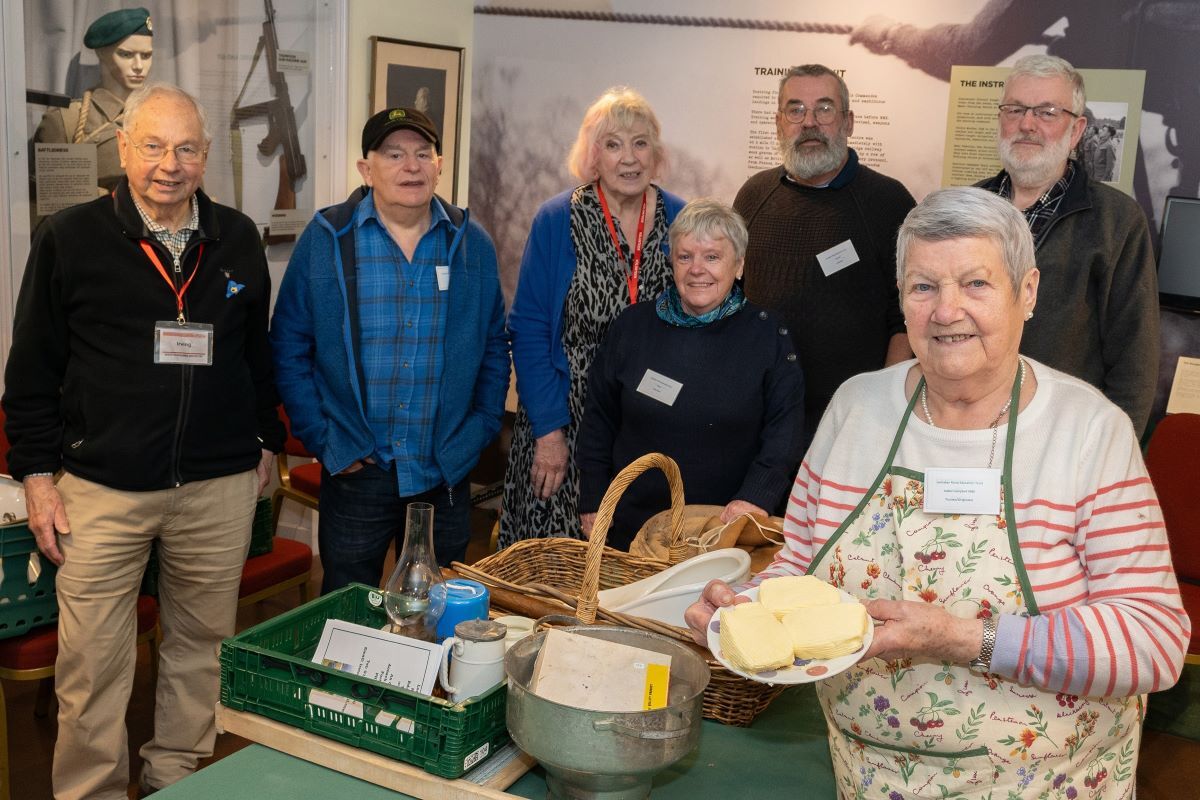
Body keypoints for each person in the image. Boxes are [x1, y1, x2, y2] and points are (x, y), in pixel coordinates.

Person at [686, 186, 1189, 798]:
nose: (947, 311)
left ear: (1026, 292)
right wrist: (745, 611)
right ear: (901, 299)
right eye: (924, 287)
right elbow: (801, 566)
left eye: (976, 284)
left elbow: (1154, 640)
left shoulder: (1087, 432)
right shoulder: (855, 408)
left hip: (1045, 783)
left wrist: (965, 639)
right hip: (871, 779)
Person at [2, 82, 283, 799]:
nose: (170, 163)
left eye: (186, 147)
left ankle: (174, 784)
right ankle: (91, 792)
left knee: (200, 655)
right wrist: (36, 476)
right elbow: (31, 372)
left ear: (206, 156)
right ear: (123, 148)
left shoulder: (239, 237)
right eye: (153, 145)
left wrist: (265, 440)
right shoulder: (69, 237)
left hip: (216, 489)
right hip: (101, 491)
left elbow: (257, 357)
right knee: (92, 666)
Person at [271, 106, 508, 593]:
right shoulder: (328, 239)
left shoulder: (471, 244)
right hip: (360, 465)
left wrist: (479, 428)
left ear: (440, 165)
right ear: (367, 168)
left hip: (443, 468)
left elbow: (492, 346)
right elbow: (290, 344)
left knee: (438, 610)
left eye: (423, 154)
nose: (411, 166)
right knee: (347, 606)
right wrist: (322, 436)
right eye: (395, 154)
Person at [500, 87, 686, 548]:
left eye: (640, 143)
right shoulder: (557, 219)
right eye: (613, 143)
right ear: (592, 155)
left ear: (656, 155)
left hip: (647, 418)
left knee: (637, 559)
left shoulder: (682, 218)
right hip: (566, 417)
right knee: (554, 564)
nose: (629, 158)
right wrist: (548, 432)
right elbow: (529, 330)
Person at [575, 199, 804, 549]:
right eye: (685, 257)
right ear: (672, 262)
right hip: (630, 529)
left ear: (739, 265)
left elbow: (784, 433)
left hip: (720, 531)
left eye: (712, 257)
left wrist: (754, 500)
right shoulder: (633, 327)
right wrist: (593, 501)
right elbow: (598, 420)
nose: (697, 269)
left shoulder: (768, 336)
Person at [733, 64, 915, 446]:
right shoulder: (753, 195)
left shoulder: (889, 202)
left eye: (824, 109)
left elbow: (907, 317)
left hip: (853, 423)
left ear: (848, 122)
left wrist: (883, 405)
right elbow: (732, 302)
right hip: (758, 418)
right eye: (796, 110)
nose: (809, 123)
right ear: (779, 123)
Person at [976, 55, 1158, 434]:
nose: (1026, 124)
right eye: (1015, 109)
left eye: (1046, 112)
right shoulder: (967, 209)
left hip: (1061, 436)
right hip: (967, 423)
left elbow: (1134, 358)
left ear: (1076, 131)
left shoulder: (1116, 221)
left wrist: (1115, 450)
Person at [34, 6, 153, 194]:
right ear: (101, 53)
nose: (139, 66)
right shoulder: (65, 122)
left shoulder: (162, 119)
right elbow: (52, 200)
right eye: (126, 54)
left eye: (146, 56)